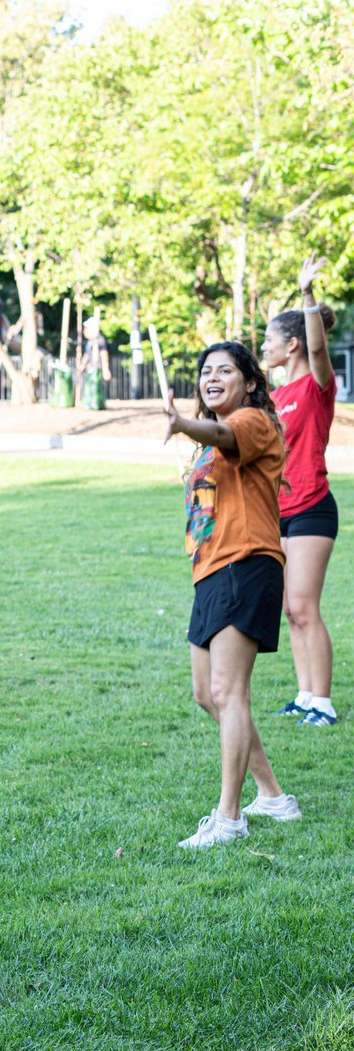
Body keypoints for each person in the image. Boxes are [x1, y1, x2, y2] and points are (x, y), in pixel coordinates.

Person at [164, 341, 298, 849]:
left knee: (229, 692)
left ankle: (229, 818)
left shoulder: (251, 423)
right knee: (209, 695)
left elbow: (221, 432)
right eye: (206, 371)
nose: (212, 377)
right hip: (212, 571)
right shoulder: (210, 442)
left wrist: (182, 424)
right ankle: (273, 796)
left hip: (248, 563)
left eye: (225, 370)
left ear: (249, 382)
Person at [261, 253, 339, 727]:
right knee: (290, 609)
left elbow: (321, 351)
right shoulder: (272, 398)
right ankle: (305, 695)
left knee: (304, 605)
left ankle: (324, 703)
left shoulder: (315, 386)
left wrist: (306, 294)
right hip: (279, 512)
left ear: (292, 345)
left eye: (270, 339)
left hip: (312, 509)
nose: (264, 346)